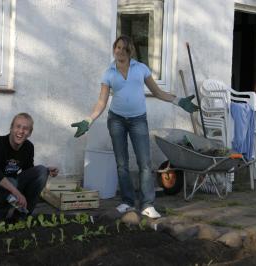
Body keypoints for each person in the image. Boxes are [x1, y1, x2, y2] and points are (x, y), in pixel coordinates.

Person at [71, 35, 198, 219]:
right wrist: (88, 121)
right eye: (117, 47)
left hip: (138, 120)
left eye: (124, 48)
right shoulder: (109, 73)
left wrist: (178, 101)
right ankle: (127, 202)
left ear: (130, 51)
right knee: (122, 164)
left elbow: (157, 92)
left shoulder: (141, 69)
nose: (119, 51)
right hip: (116, 121)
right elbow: (101, 102)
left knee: (144, 163)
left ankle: (147, 204)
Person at [0, 112, 59, 221]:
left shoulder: (28, 147)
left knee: (41, 171)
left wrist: (46, 171)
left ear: (30, 133)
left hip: (10, 189)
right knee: (11, 182)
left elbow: (28, 171)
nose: (21, 131)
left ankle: (21, 216)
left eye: (25, 128)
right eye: (18, 126)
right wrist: (16, 192)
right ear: (11, 128)